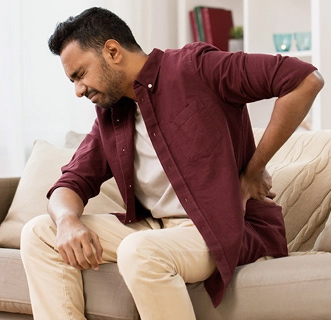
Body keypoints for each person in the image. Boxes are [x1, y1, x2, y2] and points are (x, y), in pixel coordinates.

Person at [20, 7, 324, 320]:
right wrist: (68, 221)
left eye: (79, 75)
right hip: (157, 229)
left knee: (139, 251)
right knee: (40, 232)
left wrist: (254, 169)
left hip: (221, 226)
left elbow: (304, 80)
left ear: (112, 51)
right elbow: (70, 183)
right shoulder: (112, 116)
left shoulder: (197, 67)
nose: (78, 91)